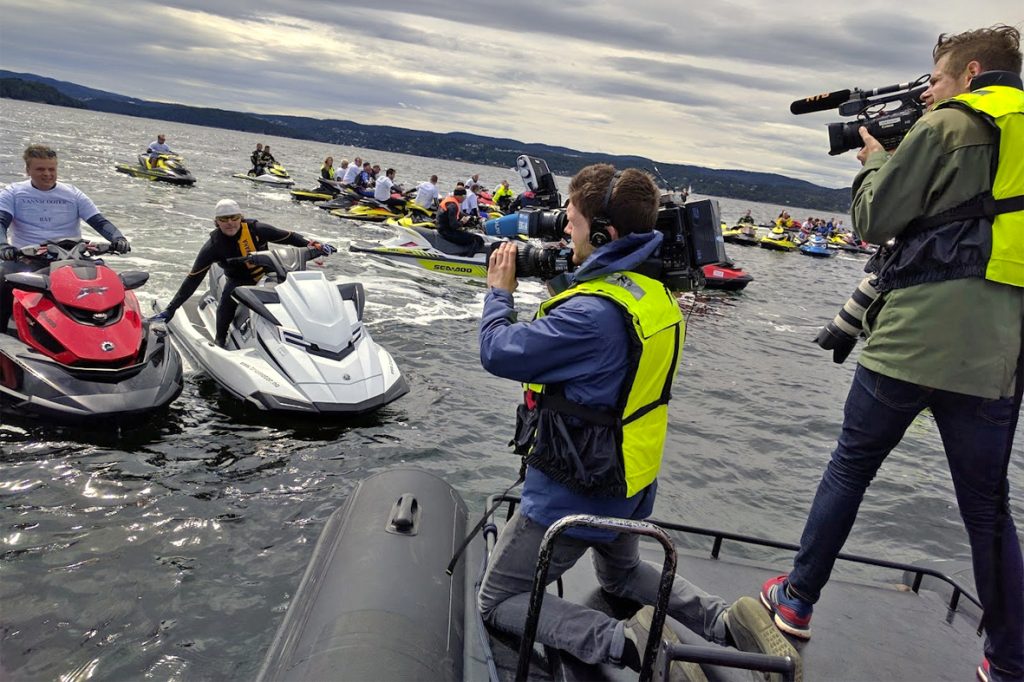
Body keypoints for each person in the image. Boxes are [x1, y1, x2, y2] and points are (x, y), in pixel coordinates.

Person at [757, 25, 1023, 682]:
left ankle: (796, 603)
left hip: (913, 337)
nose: (929, 90)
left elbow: (874, 221)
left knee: (850, 467)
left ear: (972, 72)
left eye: (936, 78)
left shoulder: (949, 126)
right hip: (999, 353)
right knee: (988, 507)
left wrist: (877, 158)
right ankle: (1013, 660)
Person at [477, 164, 802, 681]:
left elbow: (498, 352)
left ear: (604, 234)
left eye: (574, 223)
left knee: (498, 600)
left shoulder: (589, 315)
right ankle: (722, 619)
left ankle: (628, 643)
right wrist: (577, 274)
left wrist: (500, 292)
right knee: (622, 574)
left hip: (573, 490)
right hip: (629, 481)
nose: (565, 230)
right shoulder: (652, 296)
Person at [150, 199, 334, 347]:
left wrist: (317, 246)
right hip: (239, 280)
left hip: (270, 274)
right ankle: (220, 340)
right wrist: (170, 309)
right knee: (226, 305)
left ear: (240, 217)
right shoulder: (213, 247)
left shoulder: (256, 229)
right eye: (224, 219)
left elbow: (289, 237)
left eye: (234, 217)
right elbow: (193, 279)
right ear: (217, 222)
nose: (230, 223)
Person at [0, 144, 130, 331]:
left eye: (51, 169)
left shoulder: (72, 193)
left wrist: (118, 238)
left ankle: (121, 333)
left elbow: (100, 222)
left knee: (112, 285)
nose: (47, 174)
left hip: (73, 257)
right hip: (28, 258)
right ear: (28, 170)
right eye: (40, 169)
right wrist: (3, 246)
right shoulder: (12, 192)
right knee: (5, 280)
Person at [435, 187, 483, 254]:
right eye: (464, 196)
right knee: (477, 239)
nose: (464, 198)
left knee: (466, 233)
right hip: (447, 232)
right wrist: (462, 222)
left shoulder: (450, 201)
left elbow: (459, 214)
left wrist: (472, 217)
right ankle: (468, 258)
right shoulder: (453, 206)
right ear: (460, 196)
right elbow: (454, 225)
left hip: (442, 228)